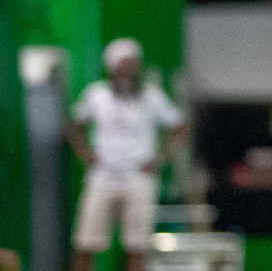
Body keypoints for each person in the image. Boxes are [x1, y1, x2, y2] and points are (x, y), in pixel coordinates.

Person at [66, 38, 188, 271]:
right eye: (123, 64)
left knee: (137, 246)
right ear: (112, 67)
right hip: (102, 177)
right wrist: (86, 155)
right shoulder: (96, 95)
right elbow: (74, 126)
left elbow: (180, 127)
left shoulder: (152, 96)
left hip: (138, 178)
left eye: (133, 64)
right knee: (84, 243)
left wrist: (160, 158)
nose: (128, 70)